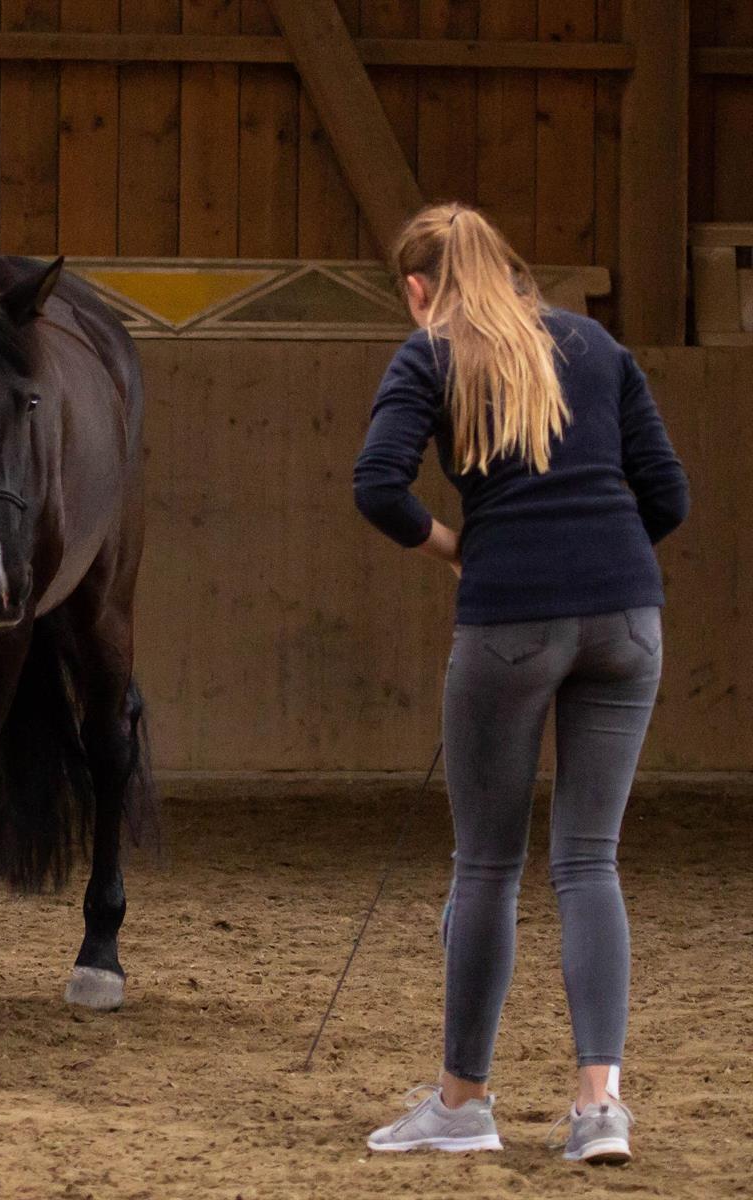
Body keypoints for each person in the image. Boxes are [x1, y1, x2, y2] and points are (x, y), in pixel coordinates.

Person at [352, 203, 689, 1163]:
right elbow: (668, 494)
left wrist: (462, 548)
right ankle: (599, 1109)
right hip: (629, 619)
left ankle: (462, 1104)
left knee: (488, 865)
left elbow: (378, 485)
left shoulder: (430, 356)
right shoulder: (595, 344)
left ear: (420, 290)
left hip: (508, 623)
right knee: (590, 861)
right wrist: (599, 564)